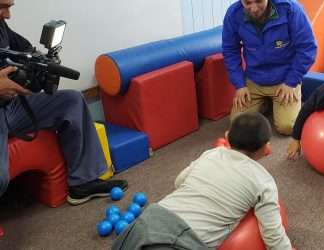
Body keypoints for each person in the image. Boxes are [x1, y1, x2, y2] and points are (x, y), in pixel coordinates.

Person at [0, 0, 127, 205]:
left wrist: (42, 61)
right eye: (2, 7)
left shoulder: (1, 25)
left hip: (11, 105)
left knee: (72, 101)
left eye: (9, 7)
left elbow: (23, 49)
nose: (7, 15)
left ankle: (82, 184)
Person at [113, 112, 292, 250]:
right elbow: (273, 235)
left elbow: (179, 181)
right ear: (266, 147)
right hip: (181, 241)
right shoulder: (264, 181)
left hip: (147, 222)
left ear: (227, 136)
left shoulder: (212, 154)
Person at [222, 0, 318, 135]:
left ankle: (277, 101)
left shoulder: (291, 9)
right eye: (248, 3)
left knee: (288, 127)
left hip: (285, 79)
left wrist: (291, 82)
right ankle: (266, 103)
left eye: (259, 1)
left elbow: (307, 49)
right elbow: (230, 50)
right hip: (254, 78)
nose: (254, 9)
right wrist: (239, 85)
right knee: (238, 124)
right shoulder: (234, 14)